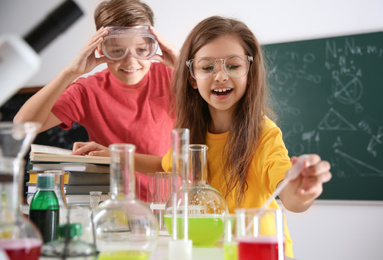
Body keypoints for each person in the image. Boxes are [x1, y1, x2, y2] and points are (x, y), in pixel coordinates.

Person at [72, 16, 332, 257]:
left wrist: (303, 189)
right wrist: (115, 154)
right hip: (211, 251)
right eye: (207, 67)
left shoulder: (263, 133)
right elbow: (164, 165)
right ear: (193, 78)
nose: (220, 75)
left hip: (259, 251)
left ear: (250, 73)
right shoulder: (191, 133)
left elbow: (289, 194)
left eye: (233, 65)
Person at [13, 0, 178, 201]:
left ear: (155, 45)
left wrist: (181, 66)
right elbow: (21, 126)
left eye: (142, 50)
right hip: (114, 206)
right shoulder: (88, 90)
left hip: (171, 202)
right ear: (100, 49)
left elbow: (222, 106)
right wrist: (70, 72)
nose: (130, 61)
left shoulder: (172, 77)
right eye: (117, 51)